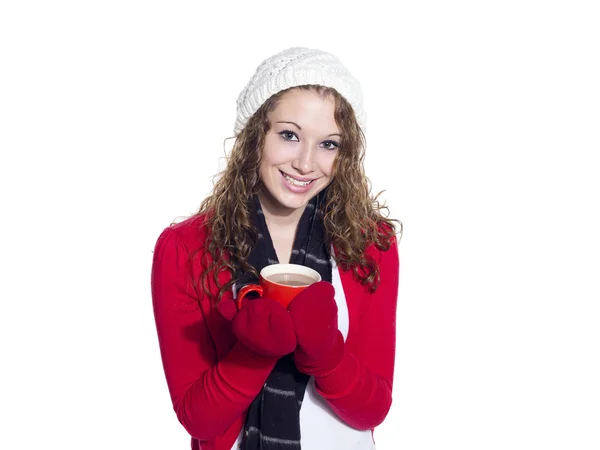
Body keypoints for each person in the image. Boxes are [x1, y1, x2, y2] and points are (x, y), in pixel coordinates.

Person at [151, 47, 401, 450]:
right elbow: (197, 417)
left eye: (329, 144)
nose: (305, 163)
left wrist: (326, 354)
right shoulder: (186, 248)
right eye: (289, 135)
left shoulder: (370, 245)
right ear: (256, 135)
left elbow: (372, 410)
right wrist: (252, 354)